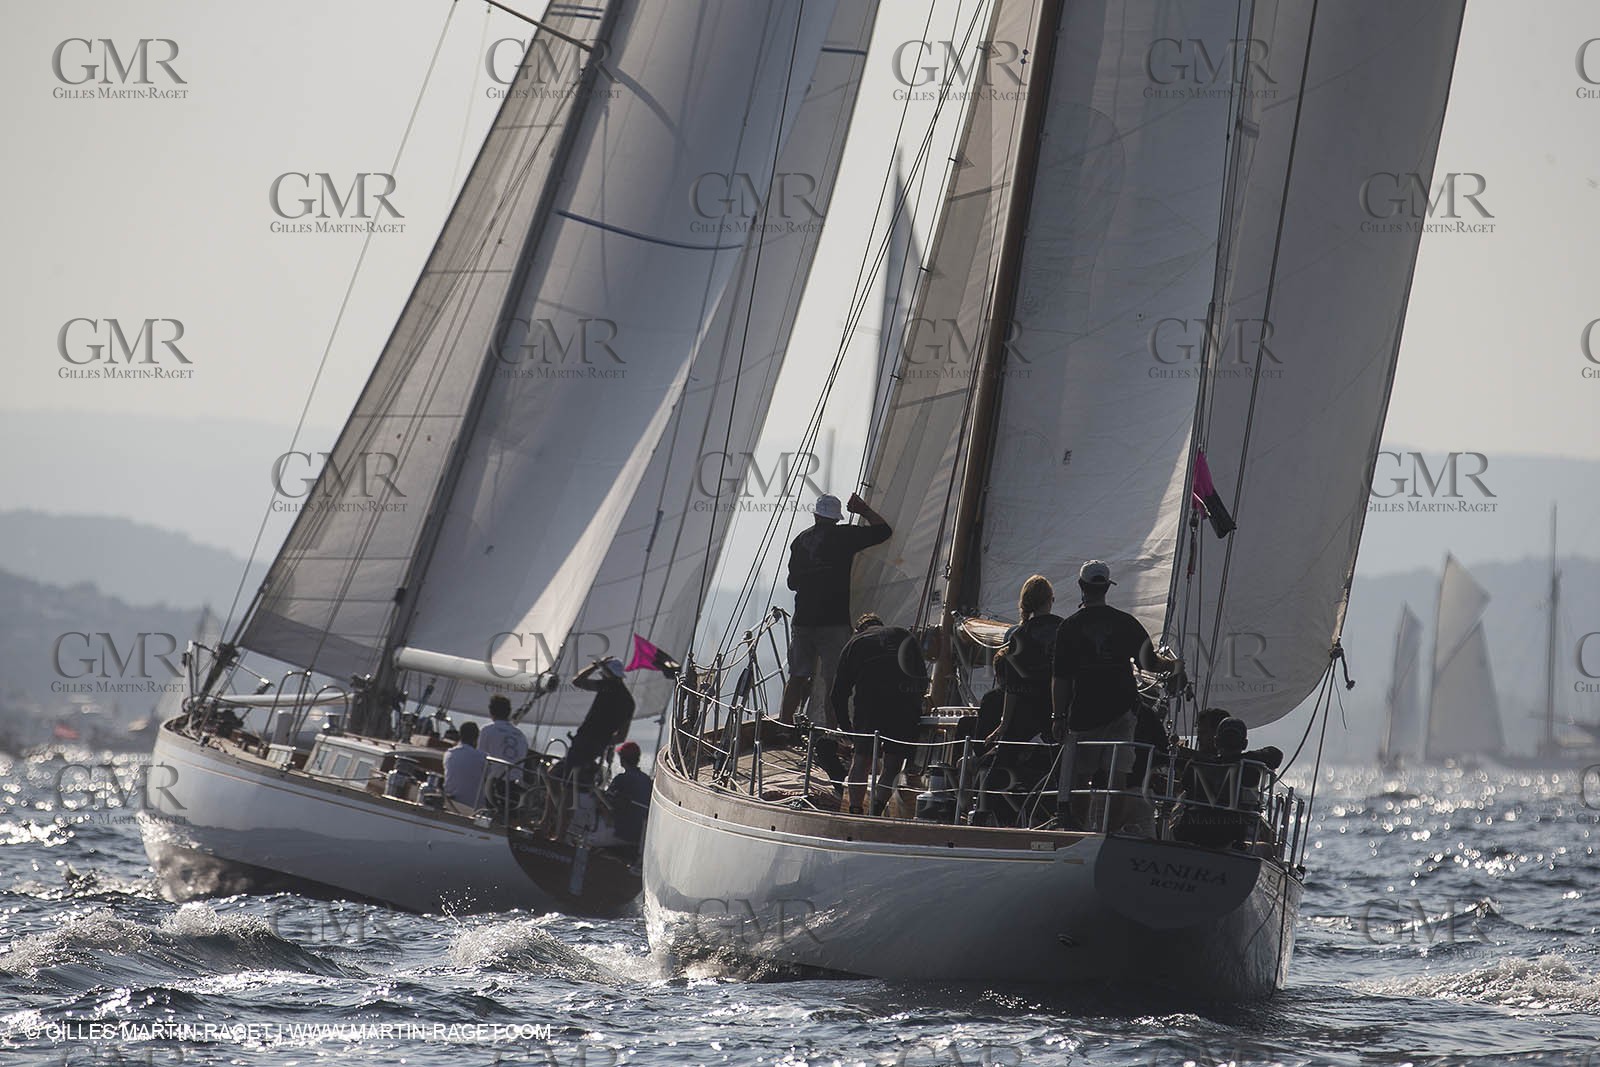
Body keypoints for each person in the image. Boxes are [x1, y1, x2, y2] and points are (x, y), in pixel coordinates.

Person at [1050, 560, 1181, 828]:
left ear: (1081, 586)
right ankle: (1109, 833)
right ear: (1107, 588)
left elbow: (1061, 678)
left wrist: (1058, 716)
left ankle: (1078, 831)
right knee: (1116, 777)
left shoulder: (1069, 627)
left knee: (1079, 779)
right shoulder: (1125, 623)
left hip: (1082, 714)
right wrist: (1174, 666)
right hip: (1121, 712)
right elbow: (1150, 664)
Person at [779, 492, 892, 728]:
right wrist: (864, 510)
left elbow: (791, 583)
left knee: (797, 676)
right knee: (834, 681)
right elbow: (884, 531)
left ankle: (784, 727)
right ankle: (832, 732)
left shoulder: (800, 541)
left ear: (816, 514)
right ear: (837, 518)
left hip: (803, 620)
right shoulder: (846, 536)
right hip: (834, 621)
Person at [831, 613, 927, 816]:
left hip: (871, 704)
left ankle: (855, 810)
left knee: (862, 759)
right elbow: (922, 676)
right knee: (893, 763)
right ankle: (876, 809)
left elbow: (838, 693)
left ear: (859, 629)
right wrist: (915, 706)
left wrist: (847, 729)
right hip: (904, 703)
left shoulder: (855, 643)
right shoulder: (902, 634)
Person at [1175, 716, 1284, 848]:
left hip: (1189, 832)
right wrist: (1247, 756)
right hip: (1229, 837)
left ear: (1216, 742)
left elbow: (1186, 786)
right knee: (1268, 849)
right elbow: (1275, 755)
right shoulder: (1250, 766)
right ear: (1244, 744)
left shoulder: (1195, 764)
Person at [555, 657, 635, 781]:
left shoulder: (607, 686)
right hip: (598, 747)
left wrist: (595, 665)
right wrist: (603, 742)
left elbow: (577, 681)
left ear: (608, 673)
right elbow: (620, 737)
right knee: (581, 780)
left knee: (563, 777)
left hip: (583, 740)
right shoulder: (629, 702)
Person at [605, 740, 652, 847]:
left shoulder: (621, 779)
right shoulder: (646, 780)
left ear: (622, 759)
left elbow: (605, 801)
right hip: (640, 836)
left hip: (622, 834)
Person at [443, 721, 488, 806]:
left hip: (451, 804)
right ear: (477, 738)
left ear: (460, 735)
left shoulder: (449, 754)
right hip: (474, 806)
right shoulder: (484, 757)